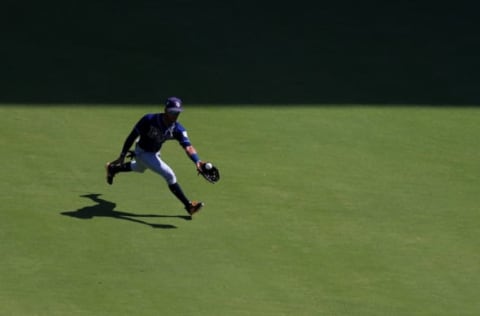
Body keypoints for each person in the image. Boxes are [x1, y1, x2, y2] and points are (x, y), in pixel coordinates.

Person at [105, 97, 204, 216]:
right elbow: (132, 136)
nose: (175, 115)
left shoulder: (178, 129)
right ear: (165, 110)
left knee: (139, 168)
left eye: (177, 112)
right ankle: (189, 206)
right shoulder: (149, 119)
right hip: (142, 152)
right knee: (169, 175)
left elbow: (188, 147)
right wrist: (122, 155)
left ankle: (112, 168)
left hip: (154, 152)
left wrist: (197, 161)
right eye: (172, 112)